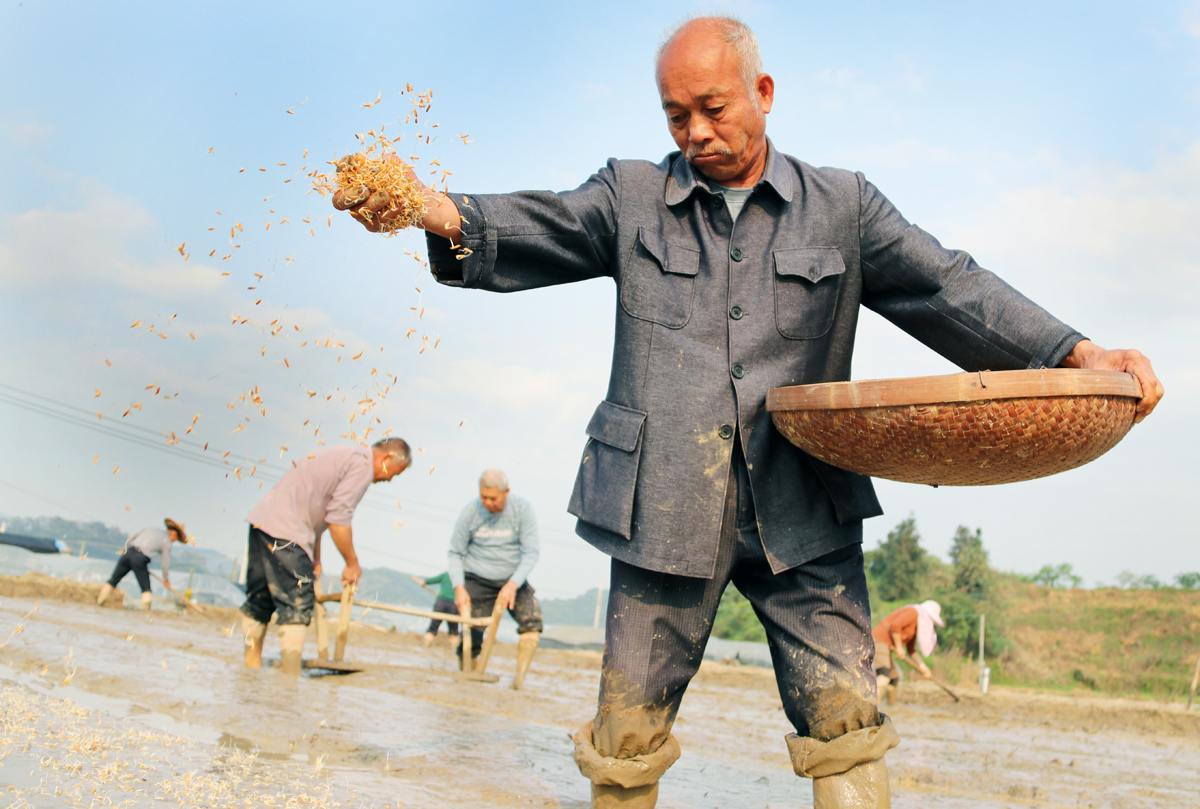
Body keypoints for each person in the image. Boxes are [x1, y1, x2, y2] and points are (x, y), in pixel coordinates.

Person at [335, 16, 1163, 809]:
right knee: (625, 729)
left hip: (803, 509)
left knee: (846, 716)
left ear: (763, 90)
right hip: (659, 505)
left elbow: (949, 285)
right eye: (675, 113)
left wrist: (1074, 352)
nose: (693, 130)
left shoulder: (843, 207)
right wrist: (425, 207)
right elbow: (539, 222)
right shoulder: (629, 196)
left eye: (712, 108)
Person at [240, 438, 410, 675]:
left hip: (263, 523)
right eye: (395, 473)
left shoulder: (345, 455)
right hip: (288, 533)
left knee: (260, 601)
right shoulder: (362, 464)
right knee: (297, 604)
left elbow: (316, 507)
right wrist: (352, 564)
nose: (390, 478)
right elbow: (338, 518)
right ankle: (289, 681)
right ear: (387, 459)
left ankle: (250, 669)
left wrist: (315, 557)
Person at [447, 469, 543, 689]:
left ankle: (518, 680)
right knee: (471, 634)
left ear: (506, 492)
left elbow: (531, 552)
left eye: (493, 498)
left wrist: (512, 584)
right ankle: (467, 680)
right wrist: (459, 588)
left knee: (532, 622)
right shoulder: (470, 512)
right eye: (483, 497)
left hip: (512, 579)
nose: (487, 502)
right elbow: (454, 552)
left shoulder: (523, 510)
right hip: (477, 578)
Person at [98, 519, 189, 611]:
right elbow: (165, 563)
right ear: (174, 534)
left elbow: (130, 537)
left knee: (112, 582)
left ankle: (99, 603)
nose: (174, 541)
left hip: (128, 553)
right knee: (146, 589)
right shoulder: (167, 542)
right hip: (140, 559)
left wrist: (132, 553)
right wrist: (166, 579)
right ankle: (146, 612)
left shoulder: (150, 529)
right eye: (176, 539)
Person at [872, 601, 944, 704]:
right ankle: (872, 708)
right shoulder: (913, 612)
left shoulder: (916, 627)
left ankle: (891, 707)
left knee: (894, 679)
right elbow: (895, 626)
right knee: (884, 677)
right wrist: (899, 647)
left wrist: (923, 667)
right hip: (879, 640)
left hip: (888, 646)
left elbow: (911, 650)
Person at [415, 571, 460, 646]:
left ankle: (425, 647)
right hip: (453, 605)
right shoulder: (461, 577)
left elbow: (432, 580)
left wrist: (424, 582)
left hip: (441, 603)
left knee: (433, 628)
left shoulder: (446, 575)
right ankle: (454, 651)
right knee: (453, 631)